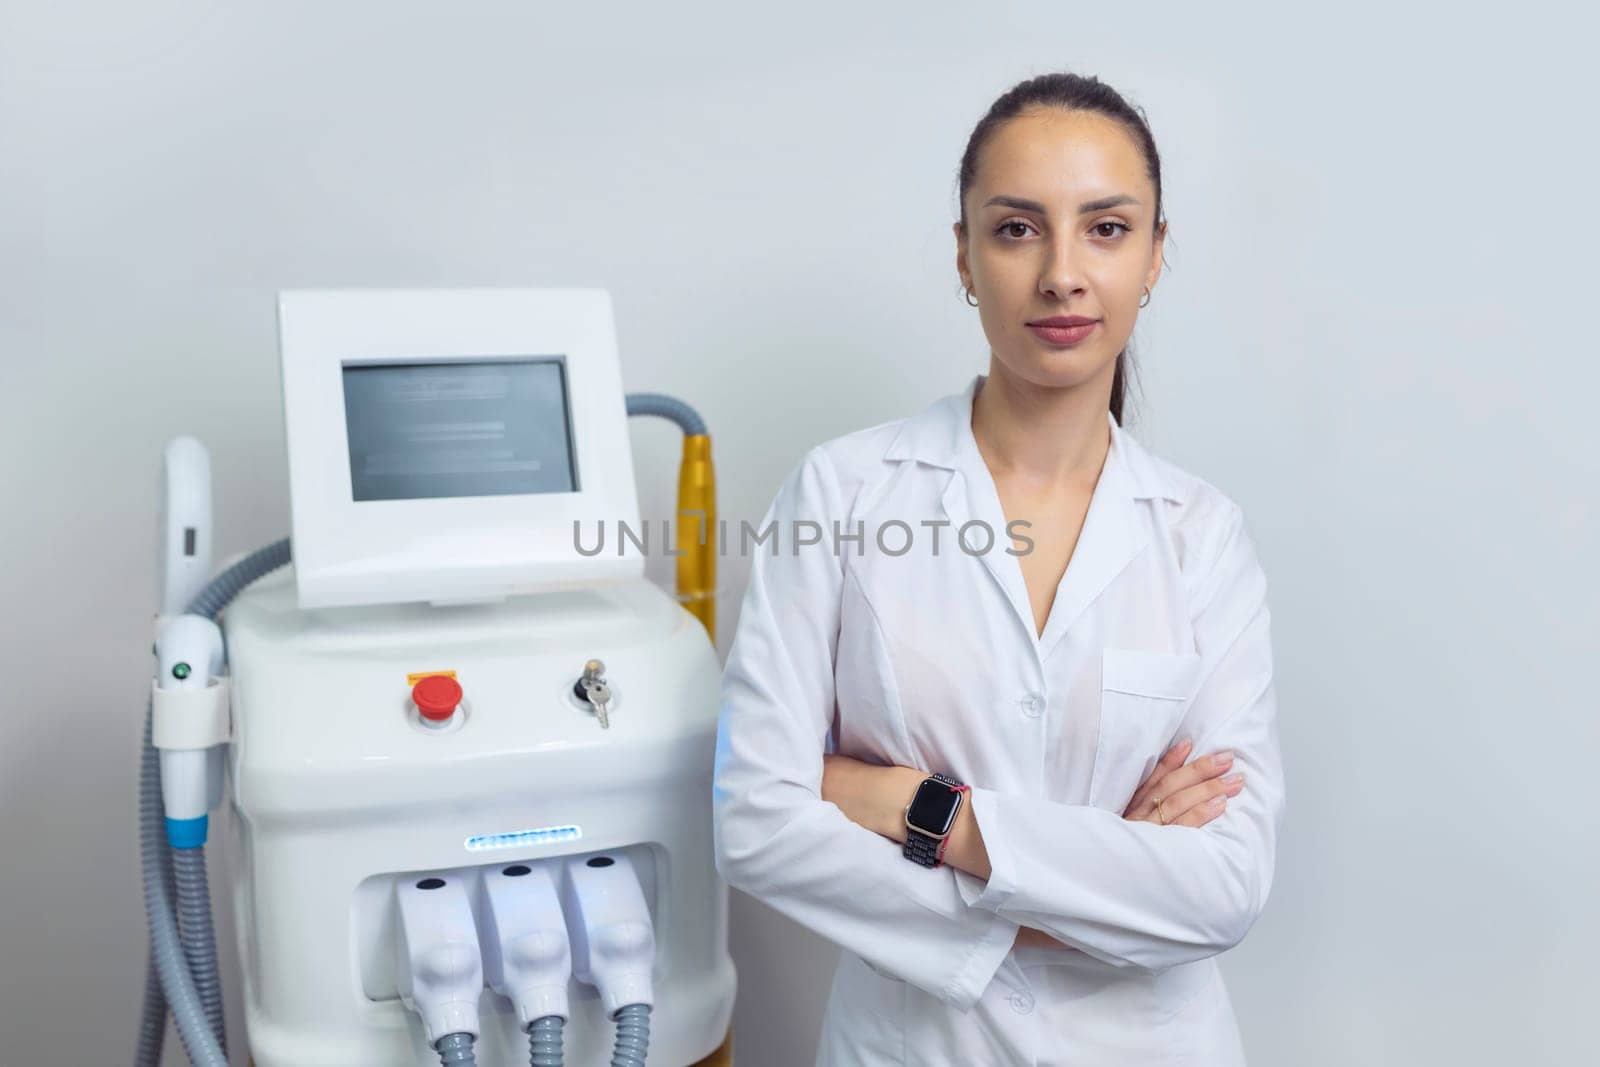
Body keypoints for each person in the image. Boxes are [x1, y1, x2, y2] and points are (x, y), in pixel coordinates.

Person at [712, 71, 1285, 1067]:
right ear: (965, 257)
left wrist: (920, 811)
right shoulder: (845, 492)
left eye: (1105, 229)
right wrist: (1102, 876)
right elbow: (755, 818)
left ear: (1154, 256)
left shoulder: (1202, 535)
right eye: (1018, 229)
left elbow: (1224, 884)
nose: (1062, 273)